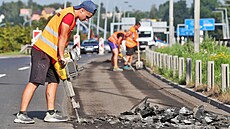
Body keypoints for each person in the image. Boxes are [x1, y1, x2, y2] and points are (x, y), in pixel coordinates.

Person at [14, 0, 97, 124]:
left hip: (52, 53)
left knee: (54, 81)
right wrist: (62, 56)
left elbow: (62, 38)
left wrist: (60, 55)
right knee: (35, 81)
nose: (86, 20)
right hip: (42, 51)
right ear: (82, 10)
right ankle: (21, 114)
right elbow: (62, 36)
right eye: (87, 17)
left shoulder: (72, 16)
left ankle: (50, 113)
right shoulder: (69, 16)